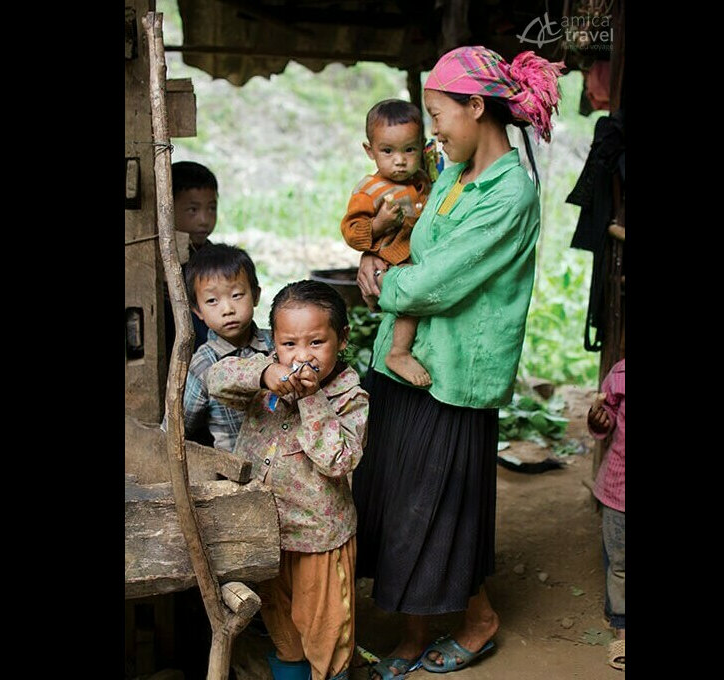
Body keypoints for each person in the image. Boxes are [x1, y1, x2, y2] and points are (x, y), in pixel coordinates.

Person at [350, 46, 563, 678]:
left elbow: (436, 281)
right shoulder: (453, 172)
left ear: (476, 107)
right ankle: (416, 629)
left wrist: (384, 284)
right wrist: (375, 253)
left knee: (435, 505)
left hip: (454, 372)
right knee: (399, 496)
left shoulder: (510, 193)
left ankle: (475, 620)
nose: (433, 133)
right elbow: (417, 247)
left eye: (439, 115)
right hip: (406, 359)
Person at [208, 280, 370, 680]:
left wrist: (311, 399)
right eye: (289, 344)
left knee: (325, 628)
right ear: (273, 343)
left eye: (316, 342)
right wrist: (265, 373)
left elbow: (339, 459)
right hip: (267, 533)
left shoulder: (350, 397)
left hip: (319, 538)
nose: (301, 356)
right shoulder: (266, 373)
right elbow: (216, 379)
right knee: (280, 623)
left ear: (342, 339)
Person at [340, 99, 434, 386]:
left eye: (409, 150)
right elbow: (351, 231)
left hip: (416, 258)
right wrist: (379, 223)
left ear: (422, 147)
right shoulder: (369, 190)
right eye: (388, 151)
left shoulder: (423, 179)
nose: (400, 160)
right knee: (412, 298)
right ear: (370, 151)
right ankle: (398, 352)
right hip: (394, 261)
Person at [176, 243, 273, 450]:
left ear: (255, 295)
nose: (227, 309)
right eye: (212, 300)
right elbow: (178, 426)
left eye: (236, 295)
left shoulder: (276, 344)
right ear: (198, 311)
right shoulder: (202, 364)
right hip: (235, 465)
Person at [587, 358, 625, 672]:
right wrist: (600, 419)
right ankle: (622, 628)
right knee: (620, 564)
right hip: (619, 489)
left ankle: (615, 610)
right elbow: (608, 414)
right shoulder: (621, 374)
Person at [165, 161, 220, 355]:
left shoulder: (215, 258)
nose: (204, 220)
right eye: (193, 210)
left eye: (211, 208)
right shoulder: (159, 260)